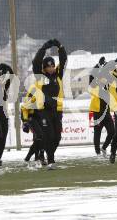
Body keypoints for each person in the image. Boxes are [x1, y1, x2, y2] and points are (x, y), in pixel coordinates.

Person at [32, 39, 67, 169]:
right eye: (48, 66)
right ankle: (51, 161)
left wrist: (60, 46)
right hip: (44, 110)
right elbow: (35, 62)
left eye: (52, 66)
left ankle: (43, 153)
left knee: (57, 137)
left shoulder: (58, 75)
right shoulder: (40, 76)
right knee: (49, 135)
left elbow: (63, 61)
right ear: (44, 68)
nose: (51, 68)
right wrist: (43, 48)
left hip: (57, 110)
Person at [88, 56, 117, 157]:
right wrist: (98, 65)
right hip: (97, 111)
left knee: (112, 131)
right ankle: (97, 152)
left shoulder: (108, 82)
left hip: (106, 111)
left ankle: (104, 147)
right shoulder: (94, 84)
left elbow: (113, 74)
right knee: (97, 132)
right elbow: (92, 75)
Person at [21, 84, 45, 167]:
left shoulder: (45, 91)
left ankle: (27, 159)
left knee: (39, 139)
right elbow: (24, 107)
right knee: (39, 136)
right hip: (31, 117)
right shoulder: (34, 91)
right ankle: (37, 159)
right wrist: (25, 121)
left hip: (39, 117)